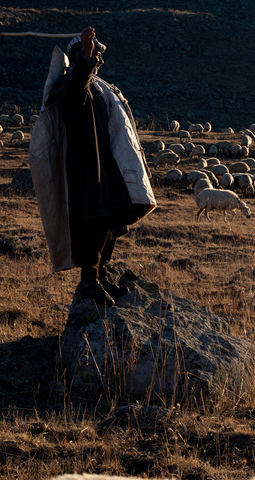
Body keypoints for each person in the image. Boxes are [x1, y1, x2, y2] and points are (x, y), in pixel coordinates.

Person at [44, 26, 156, 305]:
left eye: (96, 53)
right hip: (85, 162)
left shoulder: (99, 87)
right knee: (95, 220)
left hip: (105, 161)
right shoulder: (69, 85)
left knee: (111, 219)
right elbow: (77, 89)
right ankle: (89, 282)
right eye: (91, 53)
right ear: (77, 57)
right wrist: (84, 58)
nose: (96, 57)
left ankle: (101, 275)